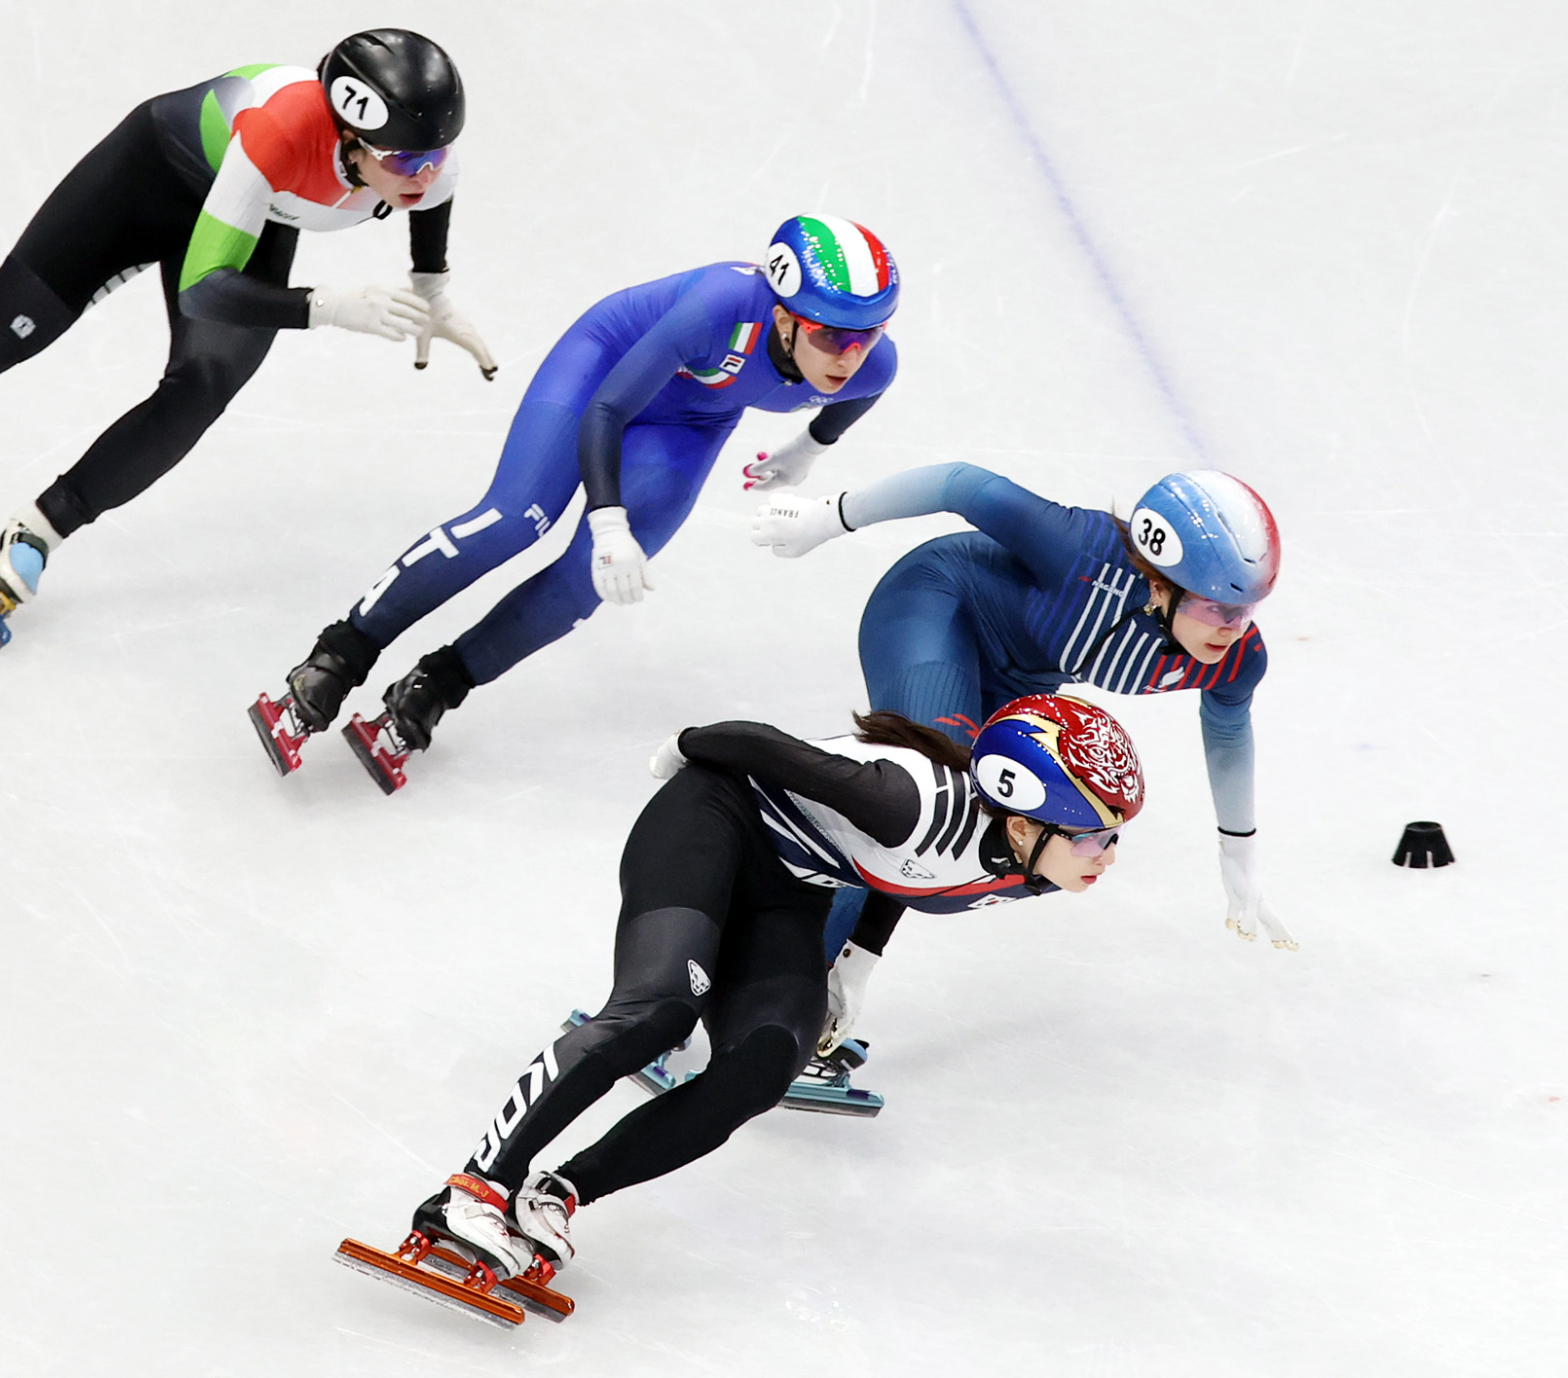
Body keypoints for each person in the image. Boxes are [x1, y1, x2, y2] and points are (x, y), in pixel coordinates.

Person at [0, 30, 495, 647]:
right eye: (407, 163)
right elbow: (208, 287)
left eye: (433, 159)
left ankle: (38, 534)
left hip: (254, 218)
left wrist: (431, 291)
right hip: (150, 181)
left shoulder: (421, 158)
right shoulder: (281, 133)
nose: (424, 178)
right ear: (352, 140)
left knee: (202, 389)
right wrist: (329, 305)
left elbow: (437, 202)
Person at [390, 695, 1143, 1287]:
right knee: (658, 1011)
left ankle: (557, 1193)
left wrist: (855, 965)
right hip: (712, 821)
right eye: (1093, 835)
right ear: (1019, 819)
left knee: (763, 1065)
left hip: (792, 892)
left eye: (1113, 835)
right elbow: (755, 742)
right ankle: (474, 1189)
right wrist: (681, 747)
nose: (1106, 855)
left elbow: (909, 877)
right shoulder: (907, 802)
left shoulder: (1036, 870)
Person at [248, 214, 900, 789]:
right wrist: (608, 517)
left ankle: (436, 686)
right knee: (512, 520)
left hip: (692, 422)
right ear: (784, 318)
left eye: (867, 334)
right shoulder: (720, 306)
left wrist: (809, 446)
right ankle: (339, 656)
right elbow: (610, 408)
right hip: (604, 372)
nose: (850, 354)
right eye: (831, 336)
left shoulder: (872, 364)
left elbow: (860, 393)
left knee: (587, 581)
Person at [749, 465, 1294, 1002]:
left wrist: (1236, 849)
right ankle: (775, 974)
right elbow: (959, 484)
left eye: (1245, 609)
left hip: (1019, 681)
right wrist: (828, 516)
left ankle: (837, 969)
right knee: (936, 794)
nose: (1232, 626)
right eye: (1217, 606)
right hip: (937, 606)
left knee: (1003, 830)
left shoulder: (1235, 659)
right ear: (1158, 584)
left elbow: (1228, 734)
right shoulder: (1078, 549)